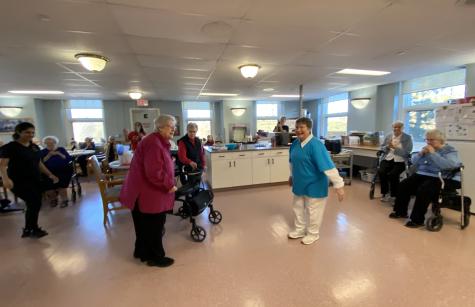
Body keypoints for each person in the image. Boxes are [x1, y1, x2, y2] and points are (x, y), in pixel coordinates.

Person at [120, 115, 177, 267]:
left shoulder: (155, 140)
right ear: (159, 127)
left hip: (143, 192)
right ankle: (156, 257)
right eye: (170, 126)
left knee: (143, 225)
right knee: (155, 226)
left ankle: (141, 252)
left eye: (174, 126)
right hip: (147, 193)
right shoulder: (154, 143)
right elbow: (154, 173)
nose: (173, 129)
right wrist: (169, 185)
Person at [288, 117, 345, 245]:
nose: (298, 130)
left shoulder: (316, 145)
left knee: (313, 211)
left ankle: (313, 234)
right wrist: (291, 176)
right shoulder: (295, 144)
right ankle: (300, 230)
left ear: (309, 128)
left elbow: (328, 166)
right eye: (297, 127)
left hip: (315, 183)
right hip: (299, 182)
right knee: (297, 208)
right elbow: (292, 162)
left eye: (302, 127)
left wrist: (339, 185)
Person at [389, 129, 461, 228]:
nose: (428, 142)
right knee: (404, 184)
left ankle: (417, 220)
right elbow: (414, 162)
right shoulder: (426, 148)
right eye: (427, 140)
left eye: (432, 140)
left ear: (441, 140)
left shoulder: (449, 150)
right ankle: (400, 212)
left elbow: (448, 165)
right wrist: (420, 154)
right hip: (422, 174)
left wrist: (433, 153)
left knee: (424, 189)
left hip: (440, 177)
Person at [0, 122, 59, 238]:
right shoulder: (11, 147)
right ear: (19, 132)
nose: (30, 134)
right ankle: (33, 228)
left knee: (34, 203)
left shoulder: (34, 147)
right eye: (27, 132)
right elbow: (2, 165)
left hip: (35, 179)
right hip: (18, 180)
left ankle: (28, 229)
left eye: (32, 132)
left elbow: (39, 163)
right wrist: (5, 179)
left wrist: (50, 174)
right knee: (33, 202)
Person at [378, 121, 413, 202]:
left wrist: (394, 148)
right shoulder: (388, 136)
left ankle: (394, 195)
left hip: (400, 161)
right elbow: (382, 148)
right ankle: (385, 193)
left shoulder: (407, 138)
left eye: (399, 127)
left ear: (402, 128)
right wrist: (387, 146)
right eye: (394, 127)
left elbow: (407, 152)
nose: (396, 128)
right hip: (387, 158)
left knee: (393, 175)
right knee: (381, 172)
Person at [40, 136, 73, 208]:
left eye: (52, 142)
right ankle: (53, 199)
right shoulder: (43, 152)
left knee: (61, 185)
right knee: (49, 188)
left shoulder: (61, 149)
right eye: (48, 143)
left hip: (63, 171)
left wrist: (59, 154)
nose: (50, 144)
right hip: (48, 172)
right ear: (45, 143)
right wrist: (49, 155)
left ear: (55, 142)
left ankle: (64, 200)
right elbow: (41, 162)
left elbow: (68, 159)